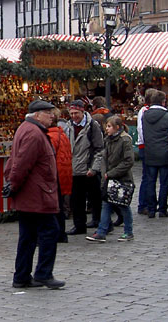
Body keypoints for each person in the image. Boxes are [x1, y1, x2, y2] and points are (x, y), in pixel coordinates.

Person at [5, 100, 64, 289]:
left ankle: (22, 276)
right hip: (37, 195)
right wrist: (13, 184)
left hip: (32, 193)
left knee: (28, 236)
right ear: (37, 114)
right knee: (50, 231)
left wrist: (13, 184)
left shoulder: (28, 129)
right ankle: (43, 274)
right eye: (48, 112)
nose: (52, 116)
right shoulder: (33, 133)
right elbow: (21, 163)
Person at [87, 116, 135, 242]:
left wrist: (112, 173)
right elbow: (104, 158)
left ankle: (128, 231)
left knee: (123, 205)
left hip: (122, 178)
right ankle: (102, 231)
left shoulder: (125, 140)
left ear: (117, 127)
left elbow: (128, 161)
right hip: (108, 178)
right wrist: (104, 173)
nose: (106, 129)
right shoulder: (108, 140)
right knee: (106, 204)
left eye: (109, 126)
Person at [64, 99, 103, 236]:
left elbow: (99, 148)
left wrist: (94, 168)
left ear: (82, 111)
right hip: (74, 169)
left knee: (95, 197)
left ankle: (99, 222)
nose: (74, 116)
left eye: (76, 113)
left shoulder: (92, 126)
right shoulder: (68, 126)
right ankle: (79, 225)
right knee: (76, 199)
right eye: (72, 113)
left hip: (88, 168)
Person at [141, 90, 168, 218]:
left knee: (150, 182)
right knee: (164, 183)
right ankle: (162, 209)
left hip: (150, 152)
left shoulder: (145, 115)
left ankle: (151, 209)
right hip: (164, 153)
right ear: (163, 101)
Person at [45, 110, 72, 243]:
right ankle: (61, 233)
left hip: (56, 174)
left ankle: (56, 233)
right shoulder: (62, 134)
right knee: (59, 205)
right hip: (64, 173)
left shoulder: (51, 136)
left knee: (53, 206)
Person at [135, 88, 157, 215]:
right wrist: (147, 143)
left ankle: (150, 202)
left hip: (149, 146)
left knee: (150, 176)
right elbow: (141, 129)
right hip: (145, 146)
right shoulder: (144, 111)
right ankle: (143, 204)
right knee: (147, 176)